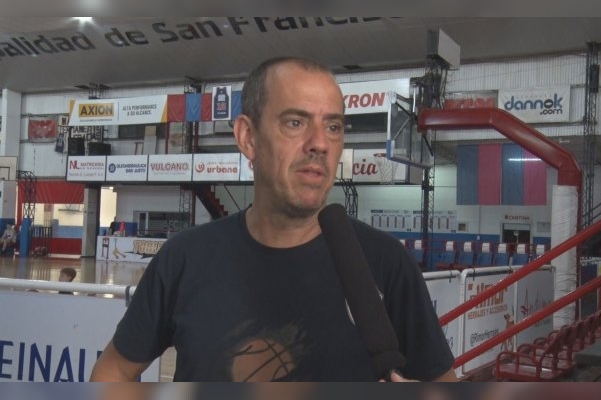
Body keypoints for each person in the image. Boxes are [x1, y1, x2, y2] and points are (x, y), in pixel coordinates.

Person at [90, 57, 456, 382]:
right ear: (248, 137)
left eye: (333, 127)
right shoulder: (185, 258)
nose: (320, 143)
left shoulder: (385, 263)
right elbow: (113, 371)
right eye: (295, 122)